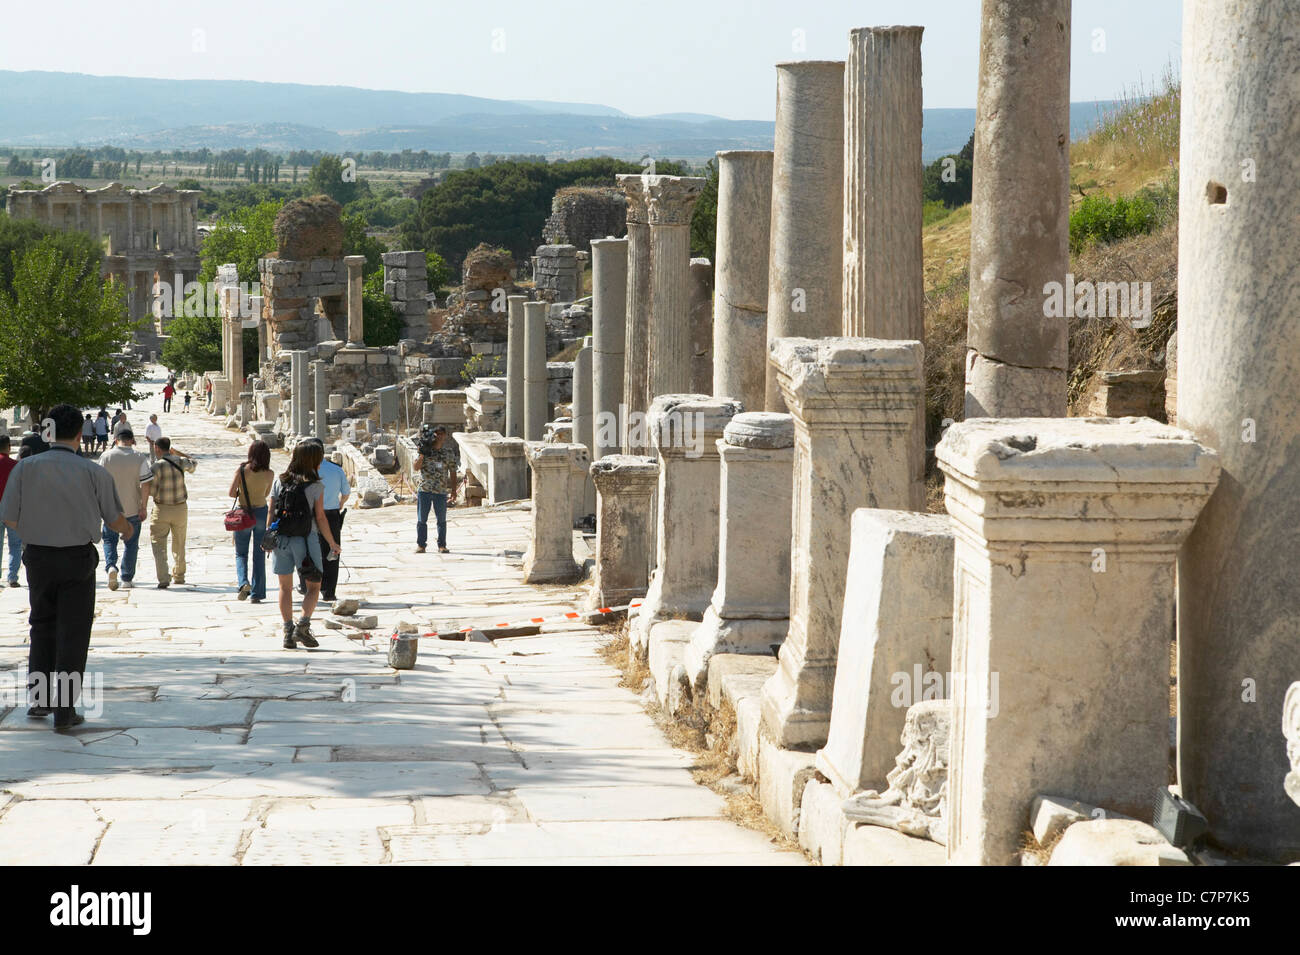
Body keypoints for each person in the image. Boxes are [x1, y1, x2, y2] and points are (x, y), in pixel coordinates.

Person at [0, 403, 135, 731]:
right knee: (72, 632)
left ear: (49, 430)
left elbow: (9, 516)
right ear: (79, 433)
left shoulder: (25, 468)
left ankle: (39, 700)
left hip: (38, 557)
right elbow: (114, 519)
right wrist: (128, 531)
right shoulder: (93, 471)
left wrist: (34, 529)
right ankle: (64, 710)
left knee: (41, 624)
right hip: (76, 558)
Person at [269, 441, 341, 649]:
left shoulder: (279, 482)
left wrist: (269, 536)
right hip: (306, 540)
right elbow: (320, 518)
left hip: (281, 539)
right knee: (313, 586)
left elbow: (271, 510)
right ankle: (303, 625)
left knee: (285, 586)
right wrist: (332, 542)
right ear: (314, 460)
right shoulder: (316, 486)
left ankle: (287, 631)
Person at [295, 439, 350, 603]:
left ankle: (305, 585)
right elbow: (346, 492)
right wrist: (340, 503)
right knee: (331, 552)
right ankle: (329, 591)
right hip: (331, 515)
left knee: (306, 550)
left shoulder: (304, 470)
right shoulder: (336, 470)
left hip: (309, 514)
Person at [98, 429, 152, 591]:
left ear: (115, 440)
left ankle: (111, 566)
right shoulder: (139, 458)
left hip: (111, 508)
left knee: (109, 540)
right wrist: (143, 506)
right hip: (132, 508)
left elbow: (99, 483)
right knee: (131, 544)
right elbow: (146, 484)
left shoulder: (106, 457)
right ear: (132, 441)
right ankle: (127, 578)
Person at [148, 436, 196, 588]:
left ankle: (163, 577)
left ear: (157, 448)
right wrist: (179, 454)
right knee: (180, 541)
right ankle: (179, 575)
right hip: (180, 508)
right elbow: (194, 463)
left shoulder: (156, 466)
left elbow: (150, 490)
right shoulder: (180, 461)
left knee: (158, 543)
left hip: (161, 508)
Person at [230, 440, 274, 604]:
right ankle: (257, 593)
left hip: (244, 513)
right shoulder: (270, 473)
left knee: (241, 553)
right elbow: (267, 493)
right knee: (259, 553)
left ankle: (243, 583)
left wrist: (242, 492)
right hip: (261, 512)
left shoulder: (242, 470)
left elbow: (231, 493)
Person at [414, 425, 459, 554]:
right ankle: (421, 545)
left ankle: (442, 545)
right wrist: (422, 455)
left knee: (442, 520)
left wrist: (454, 491)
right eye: (436, 434)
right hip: (425, 490)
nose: (439, 436)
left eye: (441, 434)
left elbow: (453, 472)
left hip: (440, 491)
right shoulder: (426, 450)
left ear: (445, 436)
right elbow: (416, 467)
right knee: (422, 519)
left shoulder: (448, 453)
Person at [0, 435, 21, 587]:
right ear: (9, 447)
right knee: (15, 544)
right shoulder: (16, 465)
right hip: (12, 508)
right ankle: (12, 577)